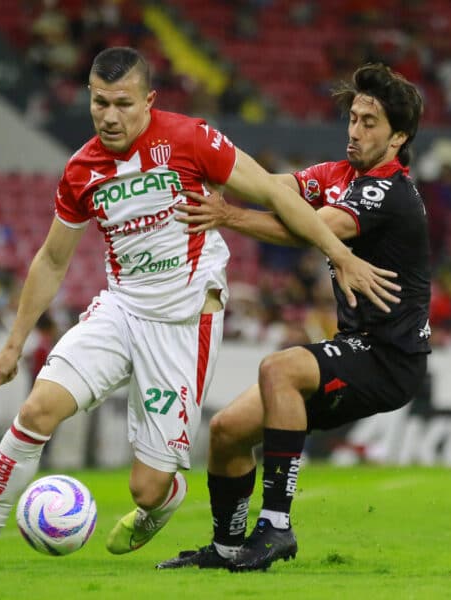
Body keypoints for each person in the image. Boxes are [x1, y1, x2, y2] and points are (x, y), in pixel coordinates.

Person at [0, 47, 397, 572]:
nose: (109, 115)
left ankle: (162, 503)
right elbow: (53, 258)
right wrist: (14, 342)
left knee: (147, 489)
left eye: (122, 103)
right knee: (35, 410)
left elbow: (272, 193)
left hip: (184, 322)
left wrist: (340, 255)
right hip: (120, 310)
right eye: (99, 102)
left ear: (148, 100)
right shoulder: (81, 170)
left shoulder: (192, 140)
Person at [158, 62, 431, 571]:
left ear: (398, 137)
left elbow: (312, 228)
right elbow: (273, 188)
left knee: (277, 368)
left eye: (369, 123)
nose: (354, 130)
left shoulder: (388, 192)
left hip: (389, 356)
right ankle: (226, 547)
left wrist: (228, 215)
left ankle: (276, 527)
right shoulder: (338, 174)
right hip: (357, 347)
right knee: (226, 431)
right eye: (353, 117)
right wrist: (200, 170)